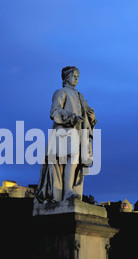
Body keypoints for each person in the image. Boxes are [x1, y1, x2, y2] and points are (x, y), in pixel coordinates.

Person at [34, 66, 97, 203]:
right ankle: (67, 190)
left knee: (76, 161)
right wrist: (71, 117)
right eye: (74, 75)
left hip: (78, 132)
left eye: (78, 76)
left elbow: (87, 115)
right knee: (71, 158)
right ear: (66, 77)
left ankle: (71, 190)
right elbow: (54, 112)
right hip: (64, 131)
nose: (76, 78)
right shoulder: (61, 92)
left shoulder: (81, 96)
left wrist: (90, 116)